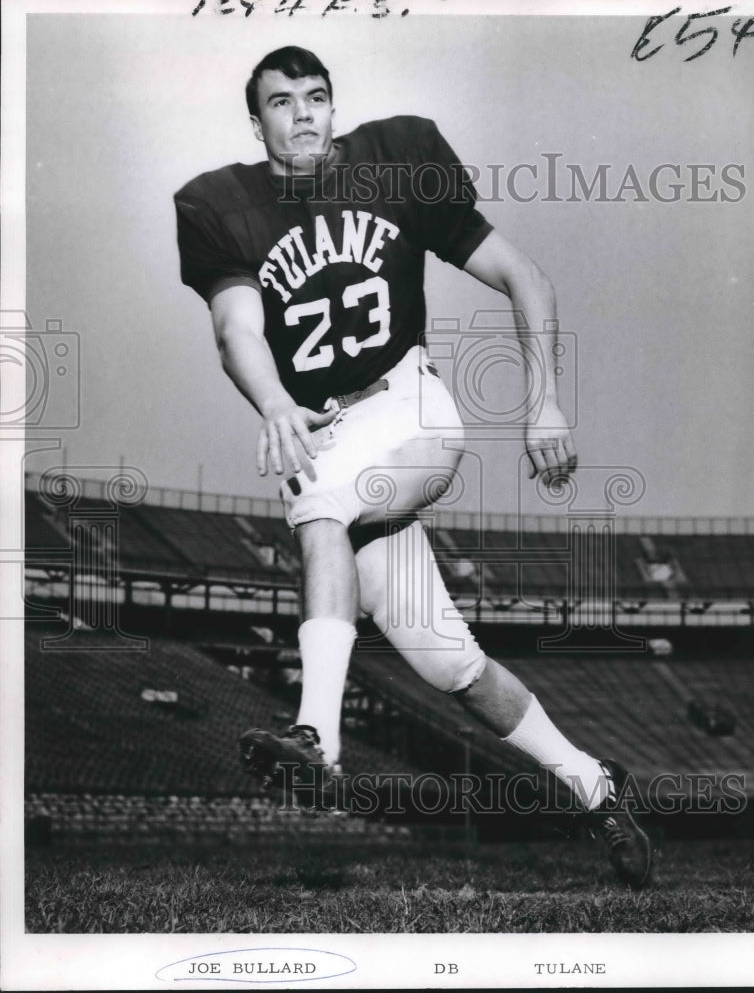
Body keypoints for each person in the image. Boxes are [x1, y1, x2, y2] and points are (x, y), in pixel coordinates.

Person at [174, 46, 651, 888]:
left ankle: (316, 740)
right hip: (328, 434)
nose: (304, 114)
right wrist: (276, 402)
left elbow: (522, 275)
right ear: (257, 122)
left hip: (410, 408)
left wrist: (543, 402)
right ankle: (593, 787)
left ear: (334, 104)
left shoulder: (396, 158)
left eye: (316, 96)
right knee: (451, 666)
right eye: (281, 102)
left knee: (317, 500)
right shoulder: (221, 204)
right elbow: (234, 329)